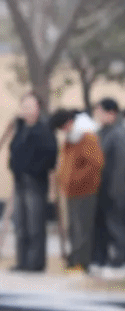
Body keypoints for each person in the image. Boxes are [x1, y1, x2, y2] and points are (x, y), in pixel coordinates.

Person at [50, 109, 104, 273]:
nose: (63, 131)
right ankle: (74, 259)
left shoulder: (87, 137)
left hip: (85, 190)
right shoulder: (71, 139)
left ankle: (83, 262)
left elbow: (95, 164)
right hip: (71, 191)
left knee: (83, 227)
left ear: (68, 123)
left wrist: (75, 180)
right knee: (73, 227)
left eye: (62, 128)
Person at [8, 94, 57, 272]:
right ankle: (22, 261)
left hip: (36, 182)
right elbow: (13, 150)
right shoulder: (20, 129)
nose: (26, 110)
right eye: (24, 106)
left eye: (30, 106)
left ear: (38, 108)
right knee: (20, 223)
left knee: (35, 224)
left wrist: (34, 170)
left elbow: (50, 155)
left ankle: (35, 262)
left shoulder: (44, 130)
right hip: (19, 180)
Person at [91, 98, 125, 276]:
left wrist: (116, 190)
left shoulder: (120, 134)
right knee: (100, 226)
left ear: (112, 113)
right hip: (99, 188)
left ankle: (119, 261)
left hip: (114, 189)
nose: (98, 115)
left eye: (101, 112)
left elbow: (121, 165)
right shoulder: (101, 132)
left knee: (115, 226)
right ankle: (100, 259)